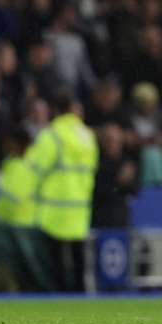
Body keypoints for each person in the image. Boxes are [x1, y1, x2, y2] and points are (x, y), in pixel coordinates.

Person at [26, 89, 98, 292]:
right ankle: (81, 303)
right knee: (78, 262)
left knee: (55, 265)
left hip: (54, 210)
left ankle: (57, 304)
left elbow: (35, 169)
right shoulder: (87, 136)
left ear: (55, 110)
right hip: (79, 209)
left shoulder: (51, 135)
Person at [0, 127, 37, 228]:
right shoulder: (37, 161)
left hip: (19, 229)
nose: (4, 146)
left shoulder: (17, 167)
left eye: (7, 142)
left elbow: (8, 202)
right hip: (32, 227)